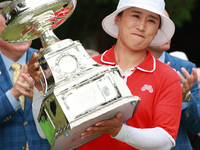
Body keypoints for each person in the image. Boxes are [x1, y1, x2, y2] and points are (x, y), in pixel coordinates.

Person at [28, 0, 183, 149]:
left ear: (157, 30)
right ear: (118, 19)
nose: (142, 26)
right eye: (136, 15)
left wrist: (119, 131)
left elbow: (165, 141)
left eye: (151, 21)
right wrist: (39, 85)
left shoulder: (167, 77)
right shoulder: (83, 63)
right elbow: (45, 132)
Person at [0, 2, 51, 150]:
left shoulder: (50, 60)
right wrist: (14, 94)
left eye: (25, 22)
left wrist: (38, 98)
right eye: (13, 25)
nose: (22, 32)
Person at [148, 10, 200, 150]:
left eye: (169, 26)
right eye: (160, 25)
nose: (167, 32)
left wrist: (185, 98)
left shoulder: (186, 68)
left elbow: (197, 126)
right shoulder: (123, 68)